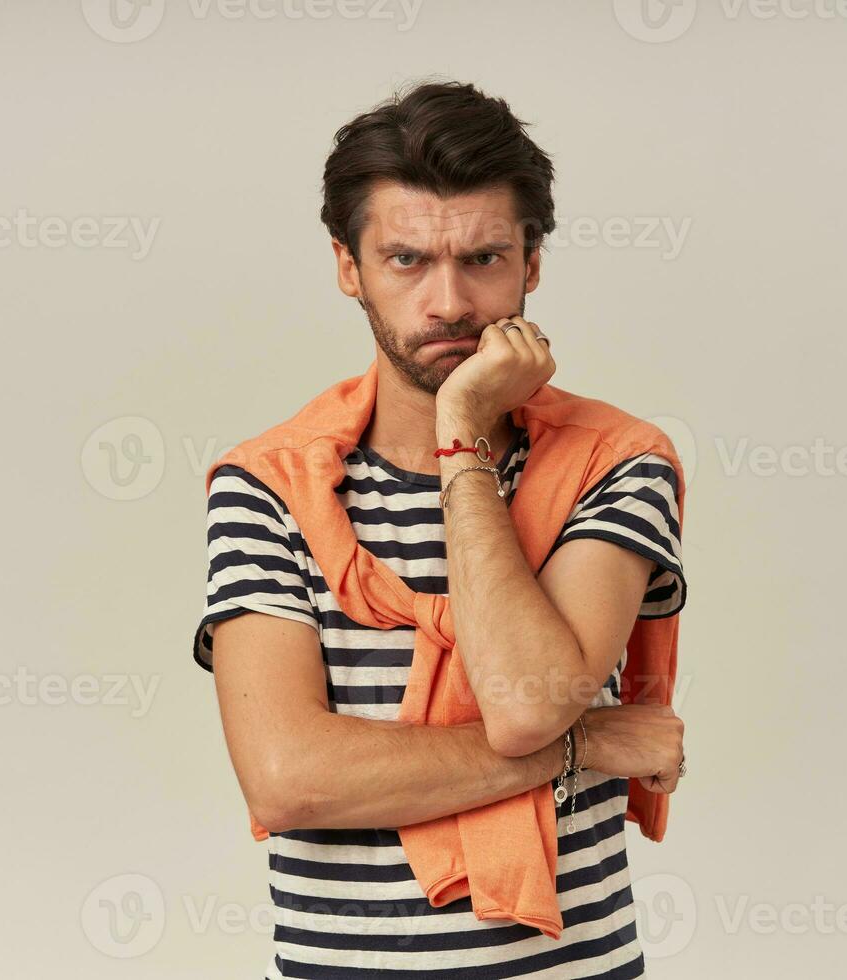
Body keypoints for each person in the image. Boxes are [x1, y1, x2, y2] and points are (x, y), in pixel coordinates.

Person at [193, 78, 688, 979]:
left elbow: (526, 702)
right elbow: (288, 778)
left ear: (532, 263)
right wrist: (589, 744)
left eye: (485, 260)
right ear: (349, 266)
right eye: (408, 260)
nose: (450, 303)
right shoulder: (267, 485)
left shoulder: (615, 461)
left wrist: (461, 440)